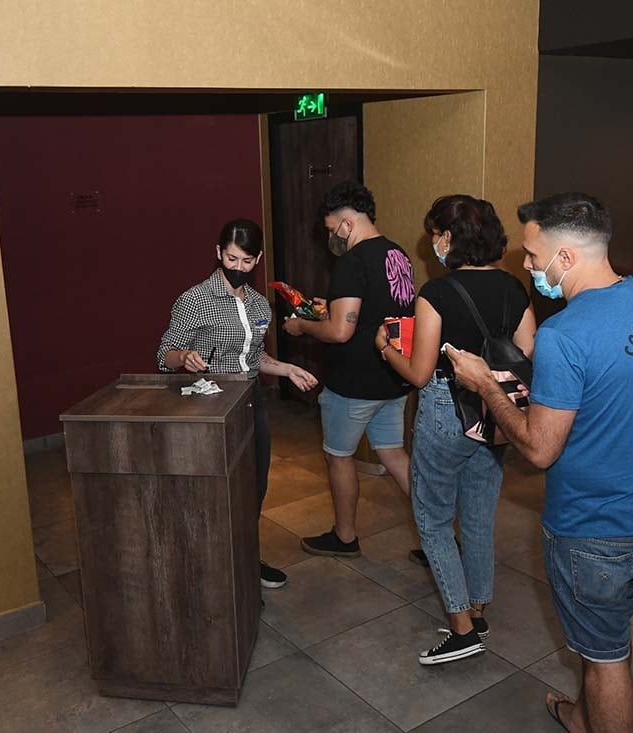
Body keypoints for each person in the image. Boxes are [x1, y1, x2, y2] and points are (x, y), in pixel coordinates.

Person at [447, 193, 633, 733]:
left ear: (566, 257)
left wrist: (488, 387)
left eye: (534, 255)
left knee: (608, 658)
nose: (528, 265)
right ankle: (583, 716)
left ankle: (596, 715)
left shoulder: (563, 335)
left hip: (595, 530)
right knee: (601, 634)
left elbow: (539, 450)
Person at [376, 195, 535, 665]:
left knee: (433, 519)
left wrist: (385, 347)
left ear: (449, 239)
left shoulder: (437, 294)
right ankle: (479, 609)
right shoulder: (515, 288)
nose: (432, 244)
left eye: (434, 235)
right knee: (480, 516)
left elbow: (420, 373)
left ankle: (462, 627)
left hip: (447, 411)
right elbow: (527, 356)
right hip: (494, 411)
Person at [157, 218, 318, 589]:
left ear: (258, 259)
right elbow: (164, 354)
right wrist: (186, 358)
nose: (238, 269)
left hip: (251, 400)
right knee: (220, 490)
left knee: (254, 485)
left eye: (247, 262)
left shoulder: (261, 305)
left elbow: (255, 358)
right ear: (218, 253)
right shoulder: (194, 300)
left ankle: (246, 559)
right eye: (231, 259)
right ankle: (217, 568)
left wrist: (287, 369)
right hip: (210, 405)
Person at [282, 181, 414, 557]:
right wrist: (334, 308)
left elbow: (341, 331)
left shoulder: (352, 261)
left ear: (345, 223)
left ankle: (344, 537)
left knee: (338, 455)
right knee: (393, 453)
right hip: (393, 374)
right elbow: (376, 310)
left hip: (354, 381)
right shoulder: (397, 254)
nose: (330, 236)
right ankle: (438, 531)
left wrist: (302, 325)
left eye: (329, 228)